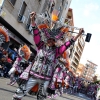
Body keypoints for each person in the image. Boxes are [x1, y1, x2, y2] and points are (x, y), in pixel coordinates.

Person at [12, 11, 84, 100]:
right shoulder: (40, 45)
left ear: (55, 41)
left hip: (46, 79)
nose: (50, 41)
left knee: (41, 98)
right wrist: (32, 19)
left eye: (53, 40)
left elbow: (67, 45)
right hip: (33, 75)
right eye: (49, 39)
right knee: (19, 93)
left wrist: (79, 34)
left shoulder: (57, 51)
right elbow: (36, 33)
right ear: (46, 39)